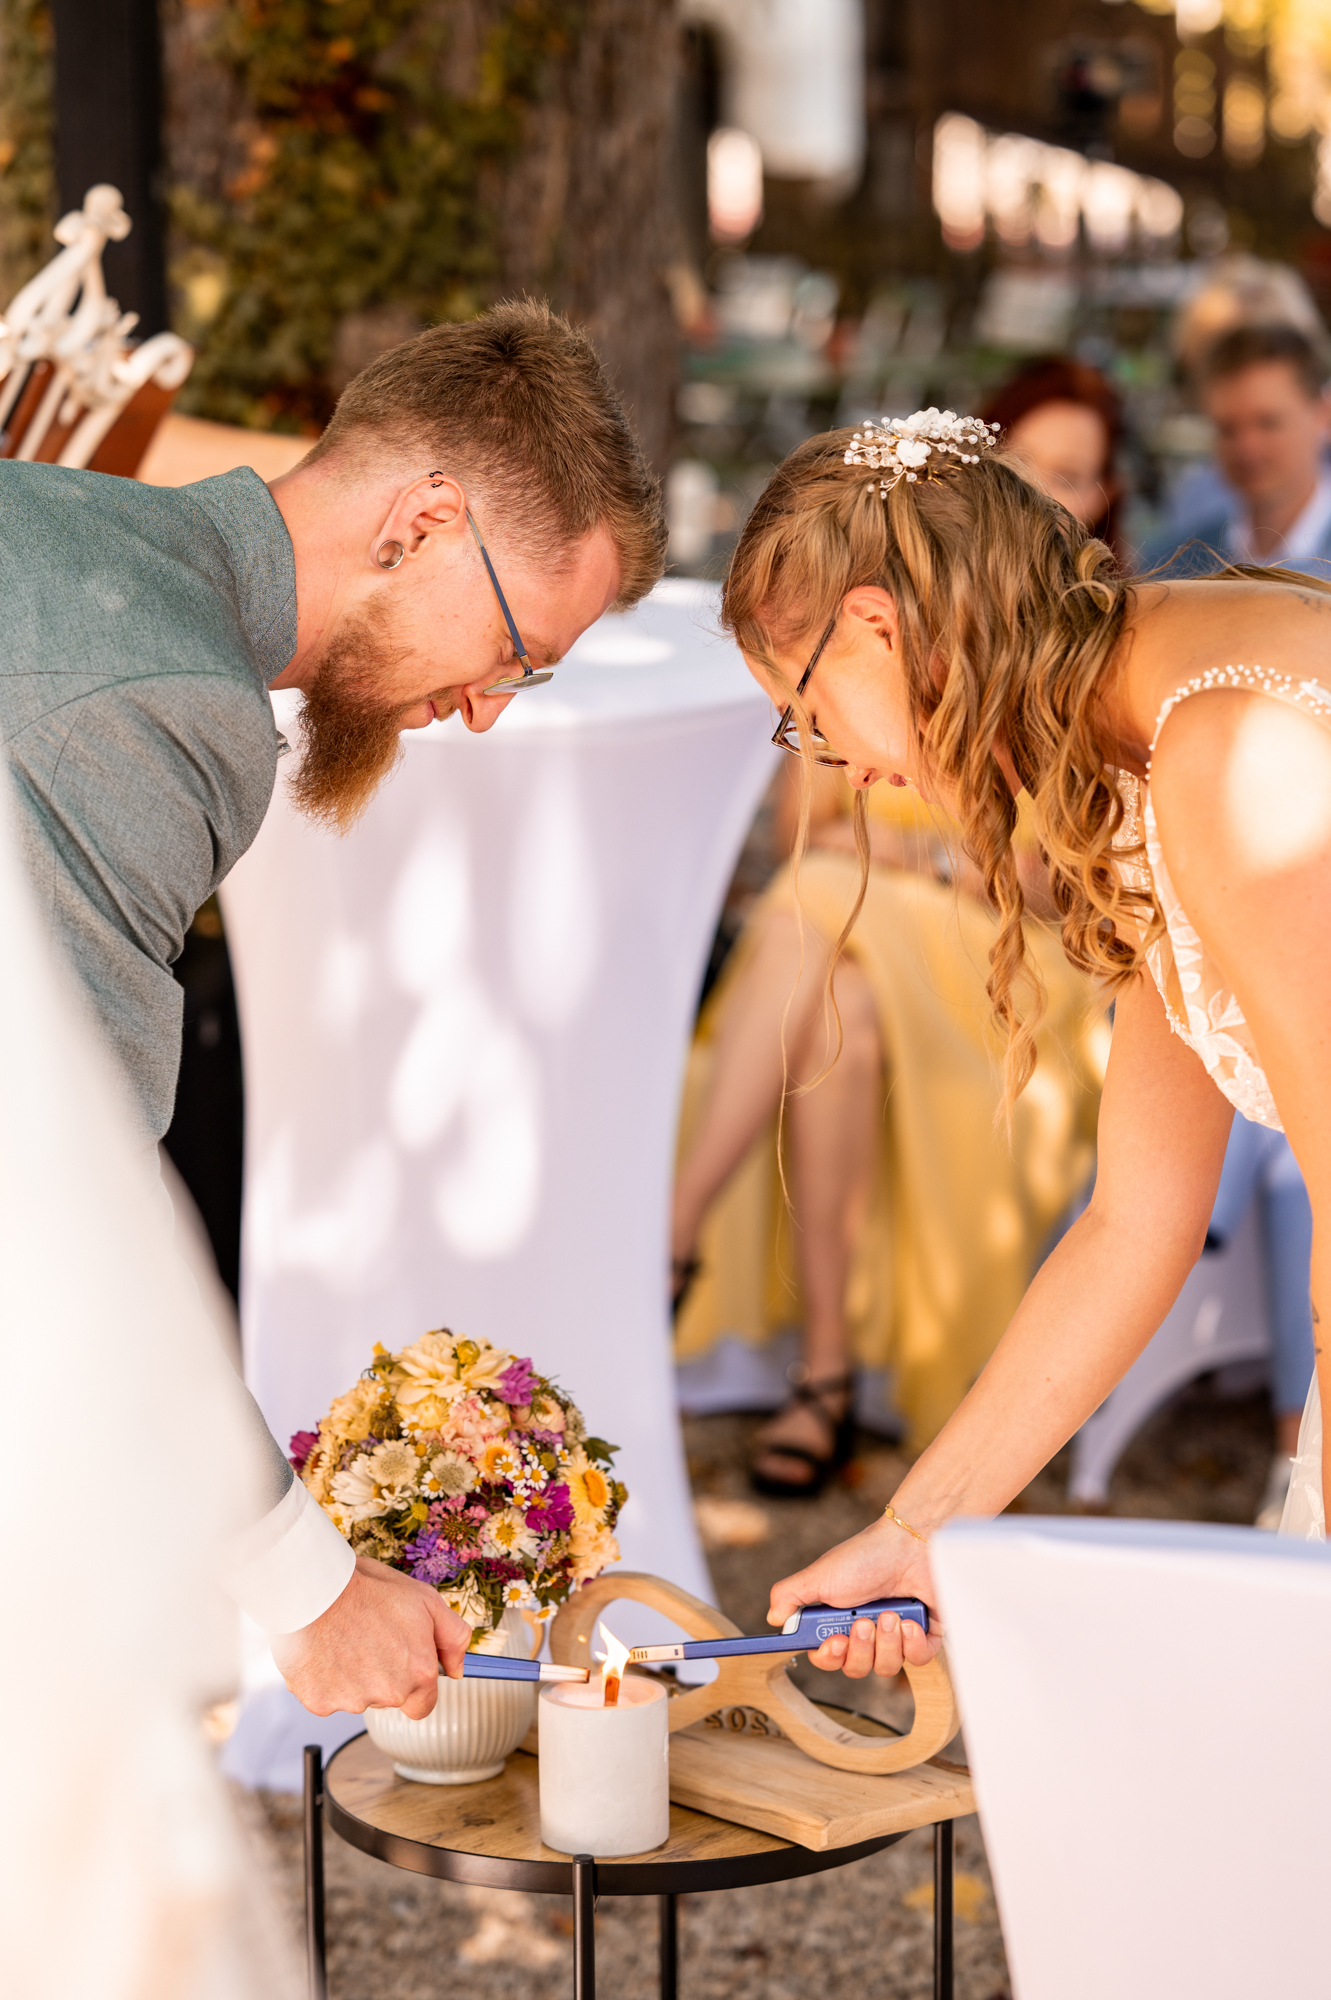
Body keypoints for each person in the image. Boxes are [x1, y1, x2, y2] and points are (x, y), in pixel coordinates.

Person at [0, 299, 665, 1716]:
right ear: (424, 520)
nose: (490, 708)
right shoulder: (171, 702)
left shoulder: (52, 518)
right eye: (516, 651)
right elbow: (69, 1198)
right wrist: (306, 1589)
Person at [706, 404, 1331, 1684]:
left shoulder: (1228, 751)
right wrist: (916, 1529)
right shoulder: (1146, 750)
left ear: (876, 625)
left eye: (810, 710)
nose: (839, 762)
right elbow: (1135, 1218)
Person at [1144, 322, 1331, 576]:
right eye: (1228, 429)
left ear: (1323, 415)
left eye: (1268, 423)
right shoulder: (1174, 566)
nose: (1247, 446)